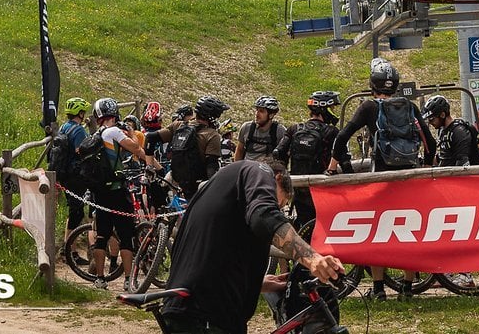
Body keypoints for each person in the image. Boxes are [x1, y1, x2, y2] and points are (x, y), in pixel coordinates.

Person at [159, 158, 344, 334]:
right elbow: (264, 216)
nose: (276, 209)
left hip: (189, 305)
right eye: (279, 205)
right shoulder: (258, 171)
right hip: (206, 314)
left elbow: (213, 250)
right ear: (277, 178)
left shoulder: (221, 185)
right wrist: (312, 259)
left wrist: (258, 283)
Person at [327, 58, 435, 300]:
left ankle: (378, 289)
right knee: (410, 233)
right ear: (395, 85)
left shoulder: (368, 107)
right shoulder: (409, 106)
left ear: (372, 85)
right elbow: (431, 142)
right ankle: (407, 289)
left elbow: (342, 137)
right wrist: (426, 169)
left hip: (382, 178)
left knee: (380, 232)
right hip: (409, 178)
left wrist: (336, 166)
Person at [87, 97, 160, 290]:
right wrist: (132, 135)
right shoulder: (114, 132)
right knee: (126, 235)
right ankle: (128, 279)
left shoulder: (98, 134)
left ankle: (100, 279)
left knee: (102, 234)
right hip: (118, 190)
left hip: (100, 191)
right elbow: (136, 149)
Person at [273, 91, 340, 228]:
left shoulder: (294, 129)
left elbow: (278, 152)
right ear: (324, 109)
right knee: (322, 222)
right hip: (321, 186)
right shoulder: (331, 131)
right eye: (332, 108)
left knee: (304, 220)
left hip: (297, 185)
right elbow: (343, 159)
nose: (334, 112)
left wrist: (286, 173)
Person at [57, 96, 91, 264]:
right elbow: (81, 150)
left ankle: (67, 249)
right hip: (75, 175)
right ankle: (71, 252)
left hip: (64, 175)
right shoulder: (78, 130)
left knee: (74, 212)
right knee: (76, 213)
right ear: (80, 113)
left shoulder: (64, 127)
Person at [423, 94, 479, 167]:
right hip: (447, 174)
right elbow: (445, 157)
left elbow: (463, 163)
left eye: (432, 119)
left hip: (462, 175)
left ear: (442, 115)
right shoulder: (443, 130)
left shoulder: (459, 132)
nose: (430, 123)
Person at [235, 96, 286, 162]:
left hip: (268, 170)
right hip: (248, 169)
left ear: (271, 115)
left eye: (261, 111)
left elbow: (286, 154)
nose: (257, 114)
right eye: (256, 110)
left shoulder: (280, 131)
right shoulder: (247, 127)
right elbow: (239, 150)